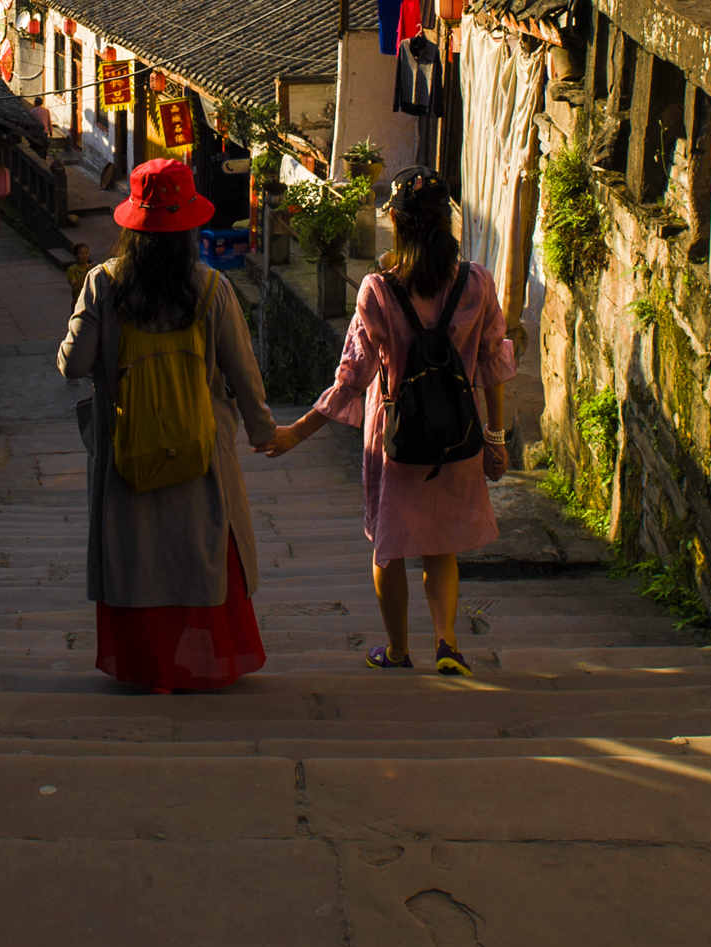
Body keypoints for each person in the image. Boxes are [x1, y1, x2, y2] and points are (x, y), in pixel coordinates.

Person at [264, 166, 513, 677]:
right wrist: (495, 437)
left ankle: (398, 650)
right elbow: (493, 364)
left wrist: (296, 432)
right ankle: (446, 643)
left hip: (396, 436)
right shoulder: (476, 283)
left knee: (390, 545)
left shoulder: (378, 291)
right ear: (448, 224)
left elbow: (351, 377)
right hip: (458, 434)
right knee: (442, 545)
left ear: (396, 224)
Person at [57, 156, 277, 693]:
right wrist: (264, 432)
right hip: (199, 445)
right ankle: (201, 661)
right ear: (189, 227)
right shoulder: (210, 289)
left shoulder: (103, 285)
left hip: (125, 447)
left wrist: (79, 321)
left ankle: (149, 667)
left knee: (138, 553)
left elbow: (74, 365)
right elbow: (244, 375)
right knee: (198, 545)